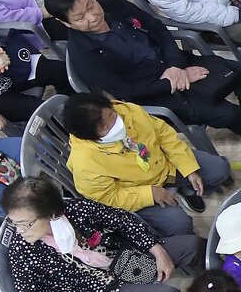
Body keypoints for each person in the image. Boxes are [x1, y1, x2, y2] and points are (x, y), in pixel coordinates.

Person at [44, 0, 241, 153]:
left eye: (90, 6)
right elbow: (127, 92)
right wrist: (169, 81)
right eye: (80, 18)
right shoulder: (82, 53)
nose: (92, 17)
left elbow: (158, 29)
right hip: (156, 92)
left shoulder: (113, 5)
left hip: (177, 62)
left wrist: (175, 66)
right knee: (227, 114)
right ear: (65, 23)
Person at [0, 173, 208, 292]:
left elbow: (122, 219)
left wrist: (158, 251)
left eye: (25, 224)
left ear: (51, 214)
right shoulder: (23, 249)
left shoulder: (74, 209)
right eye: (14, 223)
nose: (20, 230)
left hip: (123, 260)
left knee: (192, 245)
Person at [63, 90, 229, 239]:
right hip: (139, 190)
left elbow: (163, 133)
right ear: (90, 136)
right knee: (180, 224)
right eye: (106, 128)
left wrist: (188, 167)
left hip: (165, 164)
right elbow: (109, 198)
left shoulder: (127, 110)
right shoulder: (85, 163)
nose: (116, 124)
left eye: (113, 115)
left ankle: (183, 188)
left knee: (220, 168)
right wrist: (149, 194)